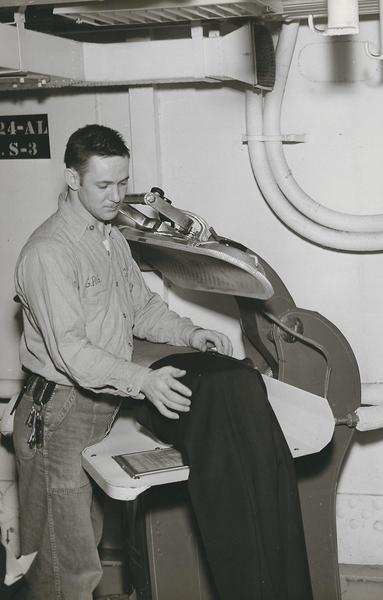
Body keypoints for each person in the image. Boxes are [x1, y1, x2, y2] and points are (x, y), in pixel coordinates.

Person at [12, 124, 232, 599]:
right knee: (64, 569)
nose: (116, 197)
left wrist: (192, 333)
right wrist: (144, 381)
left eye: (122, 183)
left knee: (82, 546)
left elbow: (143, 308)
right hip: (59, 413)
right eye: (104, 185)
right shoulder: (49, 252)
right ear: (73, 179)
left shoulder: (110, 237)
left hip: (98, 404)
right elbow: (72, 352)